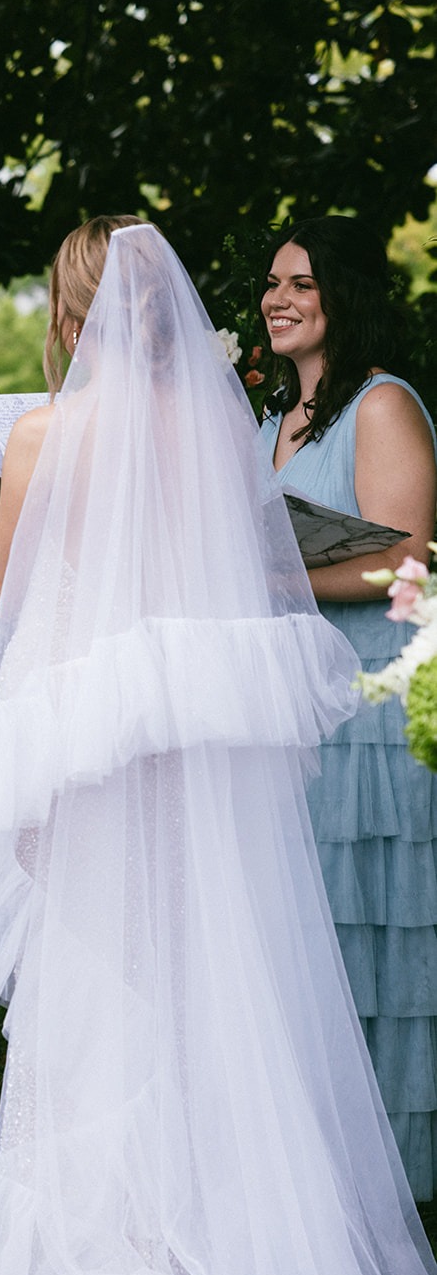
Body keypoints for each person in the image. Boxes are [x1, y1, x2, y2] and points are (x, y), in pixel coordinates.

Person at [0, 219, 437, 1275]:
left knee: (96, 979)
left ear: (75, 311)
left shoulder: (51, 428)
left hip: (87, 738)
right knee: (198, 968)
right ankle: (209, 1222)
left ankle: (109, 1240)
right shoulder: (211, 438)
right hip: (179, 734)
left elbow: (2, 590)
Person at [257, 214, 437, 1203]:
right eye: (269, 284)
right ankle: (312, 1172)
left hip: (366, 708)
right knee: (307, 940)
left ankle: (388, 1184)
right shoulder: (263, 426)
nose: (275, 298)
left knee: (372, 939)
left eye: (299, 283)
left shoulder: (381, 406)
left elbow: (407, 558)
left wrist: (275, 572)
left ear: (345, 297)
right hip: (288, 713)